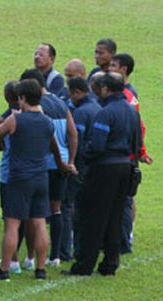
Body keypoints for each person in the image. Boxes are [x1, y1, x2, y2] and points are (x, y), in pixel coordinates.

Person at [0, 79, 74, 281]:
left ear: (22, 98)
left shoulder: (15, 119)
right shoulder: (47, 121)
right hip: (41, 177)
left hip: (19, 177)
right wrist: (62, 164)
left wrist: (9, 121)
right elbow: (53, 144)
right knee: (40, 223)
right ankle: (41, 268)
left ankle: (5, 269)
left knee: (12, 224)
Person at [65, 73, 140, 276]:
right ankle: (110, 263)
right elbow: (137, 142)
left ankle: (84, 265)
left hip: (105, 168)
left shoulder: (106, 113)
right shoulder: (132, 112)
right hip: (125, 166)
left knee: (93, 216)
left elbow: (97, 145)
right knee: (115, 215)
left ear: (106, 89)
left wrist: (85, 157)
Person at [20, 69, 77, 268]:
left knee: (34, 213)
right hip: (60, 164)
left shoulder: (36, 106)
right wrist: (69, 160)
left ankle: (32, 257)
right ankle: (55, 256)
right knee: (56, 209)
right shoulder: (61, 102)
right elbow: (72, 133)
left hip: (42, 164)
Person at [109, 53, 152, 254]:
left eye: (113, 65)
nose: (109, 68)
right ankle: (123, 239)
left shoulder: (127, 96)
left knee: (123, 201)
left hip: (123, 156)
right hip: (129, 156)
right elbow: (139, 125)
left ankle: (123, 241)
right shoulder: (130, 97)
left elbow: (137, 126)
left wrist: (139, 151)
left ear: (123, 69)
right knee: (125, 199)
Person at [66, 76, 102, 260]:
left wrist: (73, 162)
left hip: (81, 165)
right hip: (97, 165)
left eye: (70, 94)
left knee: (74, 204)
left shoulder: (80, 112)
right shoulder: (98, 107)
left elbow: (76, 140)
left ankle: (74, 242)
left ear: (77, 93)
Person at [0, 81, 22, 273]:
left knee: (9, 220)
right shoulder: (34, 115)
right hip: (33, 172)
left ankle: (13, 262)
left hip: (9, 172)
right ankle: (31, 260)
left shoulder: (3, 120)